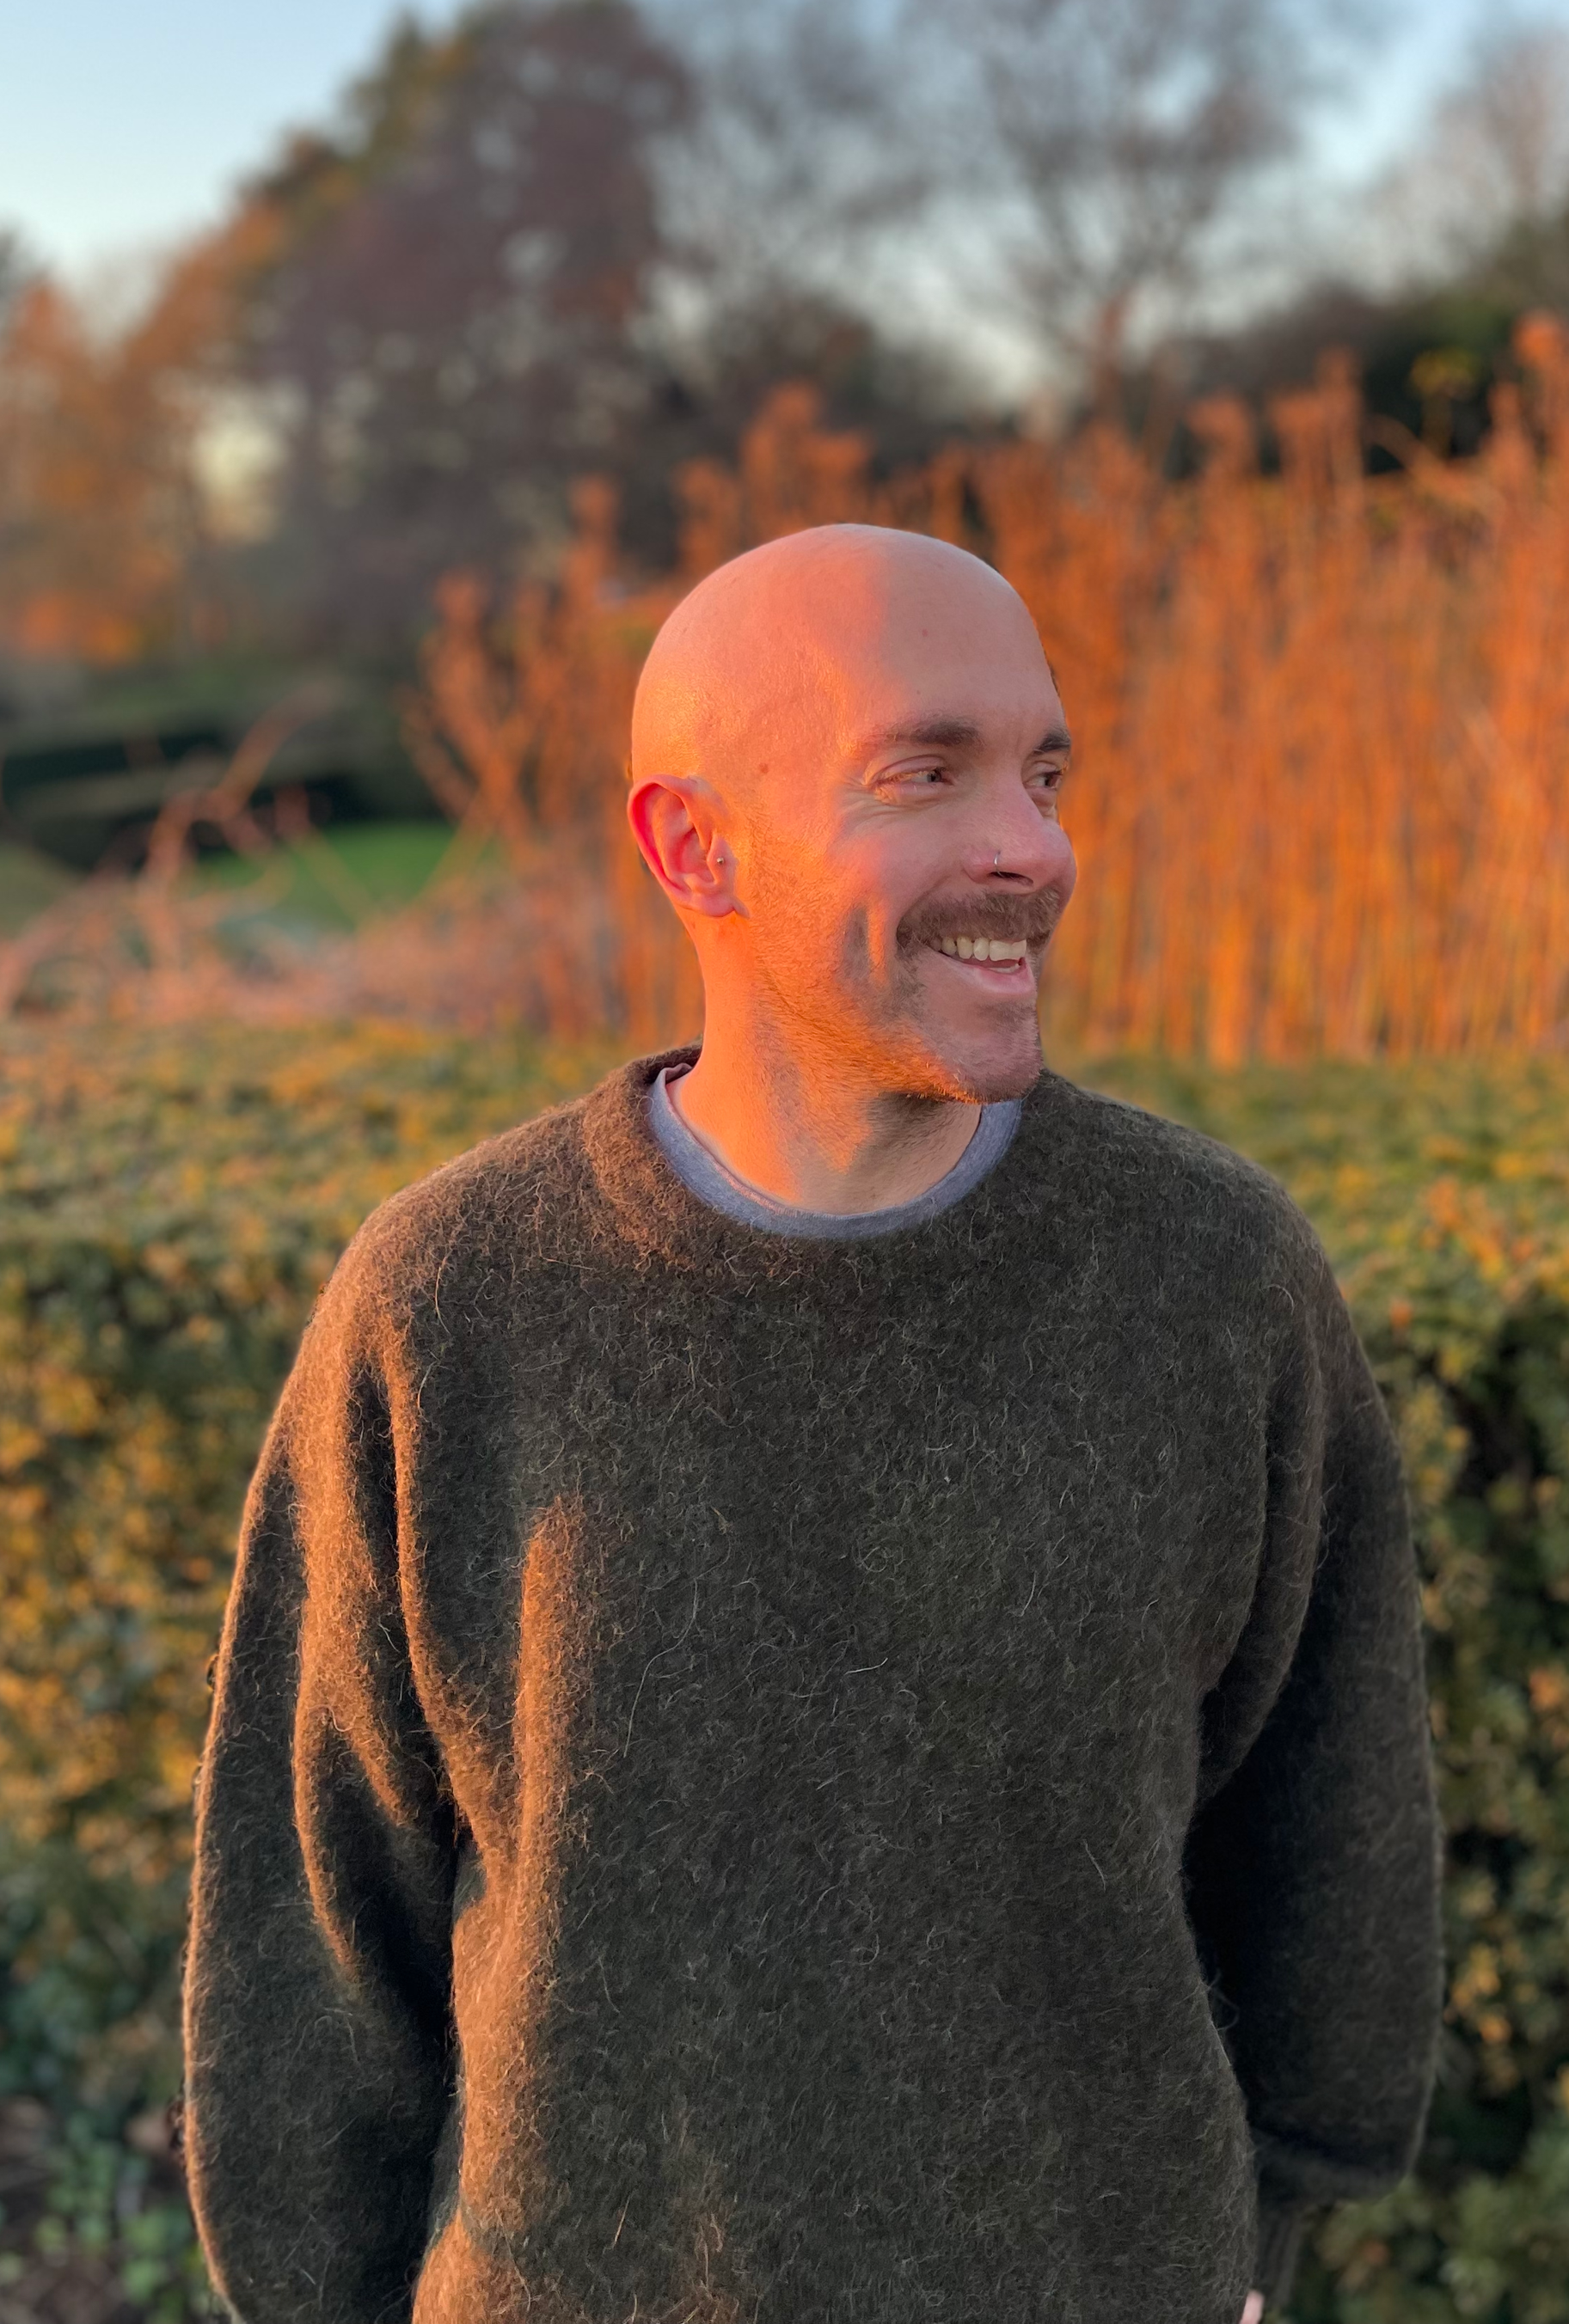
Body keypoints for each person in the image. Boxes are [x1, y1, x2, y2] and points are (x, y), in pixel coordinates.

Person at [183, 523, 1442, 2324]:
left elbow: (1330, 1817)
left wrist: (1270, 2231)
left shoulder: (1213, 1275)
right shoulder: (448, 1299)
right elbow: (317, 1917)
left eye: (1046, 769)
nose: (1034, 843)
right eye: (925, 772)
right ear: (693, 843)